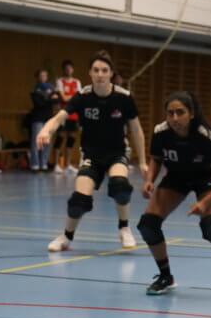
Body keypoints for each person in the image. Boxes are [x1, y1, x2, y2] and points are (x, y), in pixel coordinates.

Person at [136, 92, 211, 299]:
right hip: (176, 177)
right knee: (148, 225)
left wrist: (204, 202)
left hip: (205, 179)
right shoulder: (161, 132)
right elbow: (156, 159)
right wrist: (149, 180)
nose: (174, 118)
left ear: (191, 114)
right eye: (170, 113)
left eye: (180, 112)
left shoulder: (207, 137)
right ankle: (166, 277)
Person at [37, 52, 148, 251]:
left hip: (116, 153)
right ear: (90, 73)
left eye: (104, 70)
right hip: (91, 155)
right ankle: (66, 237)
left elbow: (137, 130)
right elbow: (59, 117)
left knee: (120, 186)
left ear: (111, 73)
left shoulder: (123, 98)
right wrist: (46, 130)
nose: (100, 74)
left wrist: (142, 161)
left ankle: (124, 228)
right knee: (78, 201)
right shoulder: (83, 97)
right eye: (96, 70)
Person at [54, 60, 82, 174]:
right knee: (60, 138)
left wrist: (71, 97)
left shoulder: (77, 82)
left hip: (74, 114)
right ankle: (56, 164)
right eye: (66, 68)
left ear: (73, 70)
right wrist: (73, 96)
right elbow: (64, 98)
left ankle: (68, 164)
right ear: (64, 70)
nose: (68, 70)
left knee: (71, 139)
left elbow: (79, 98)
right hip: (63, 113)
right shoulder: (60, 81)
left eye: (70, 68)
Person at [28, 69, 55, 172]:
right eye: (41, 75)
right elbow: (38, 103)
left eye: (45, 75)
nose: (43, 77)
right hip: (38, 117)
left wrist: (47, 98)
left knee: (47, 141)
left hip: (48, 117)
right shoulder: (35, 89)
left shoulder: (51, 88)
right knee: (36, 140)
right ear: (37, 77)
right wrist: (50, 98)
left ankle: (44, 163)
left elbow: (56, 100)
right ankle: (35, 164)